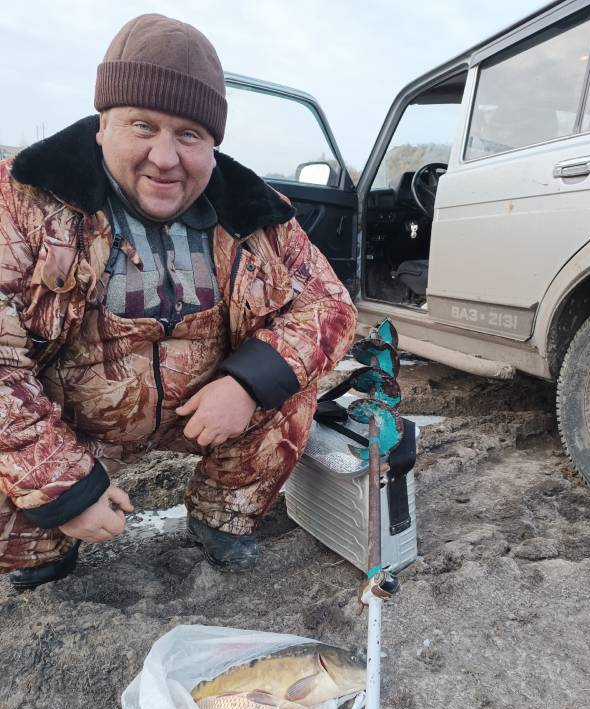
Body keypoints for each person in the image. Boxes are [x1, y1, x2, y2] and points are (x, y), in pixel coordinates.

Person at [0, 14, 356, 589]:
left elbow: (329, 306)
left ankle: (222, 518)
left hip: (202, 416)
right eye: (143, 126)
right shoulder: (22, 204)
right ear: (102, 125)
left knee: (289, 391)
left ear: (212, 144)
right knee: (21, 513)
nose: (166, 158)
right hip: (70, 425)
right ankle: (45, 556)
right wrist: (69, 489)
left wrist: (245, 384)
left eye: (189, 135)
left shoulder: (255, 214)